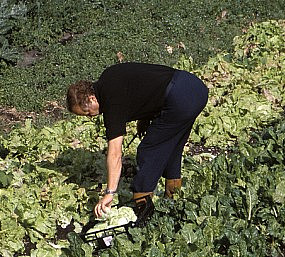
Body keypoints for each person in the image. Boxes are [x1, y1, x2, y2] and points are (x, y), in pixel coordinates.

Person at [66, 62, 208, 222]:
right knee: (171, 148)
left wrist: (109, 193)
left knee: (148, 151)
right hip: (193, 88)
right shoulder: (108, 78)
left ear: (91, 98)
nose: (90, 116)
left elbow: (115, 153)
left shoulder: (111, 102)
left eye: (87, 112)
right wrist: (144, 120)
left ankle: (143, 212)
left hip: (180, 98)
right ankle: (173, 200)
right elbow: (144, 89)